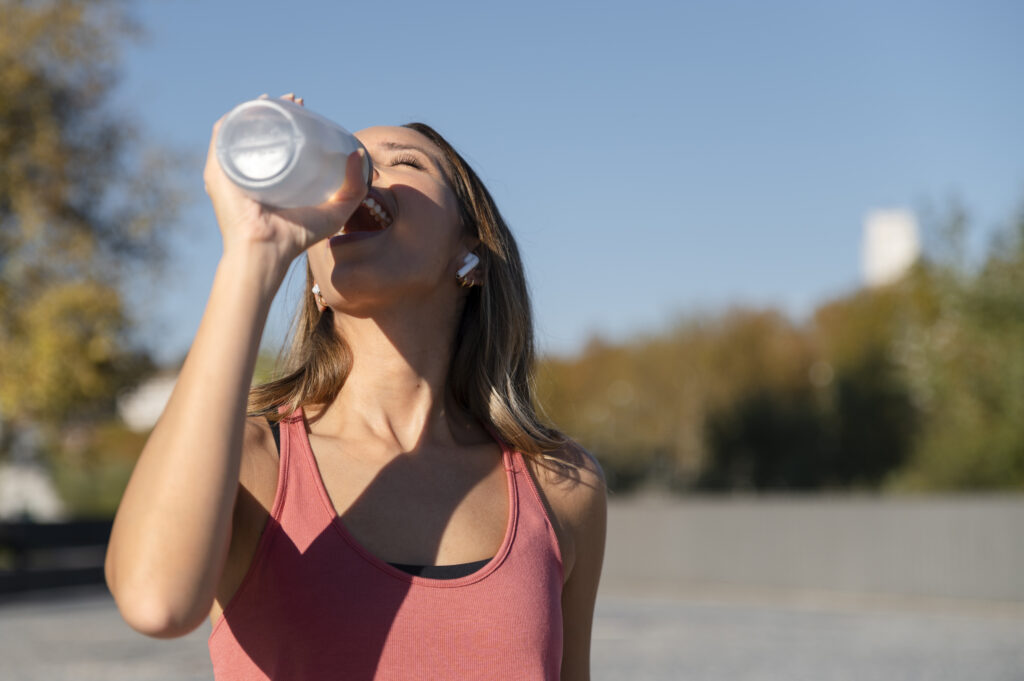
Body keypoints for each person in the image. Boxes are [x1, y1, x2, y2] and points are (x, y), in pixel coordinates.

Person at [105, 94, 607, 681]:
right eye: (348, 160)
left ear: (469, 246)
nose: (360, 175)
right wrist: (254, 253)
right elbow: (155, 602)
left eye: (404, 162)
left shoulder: (560, 483)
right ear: (315, 280)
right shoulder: (251, 463)